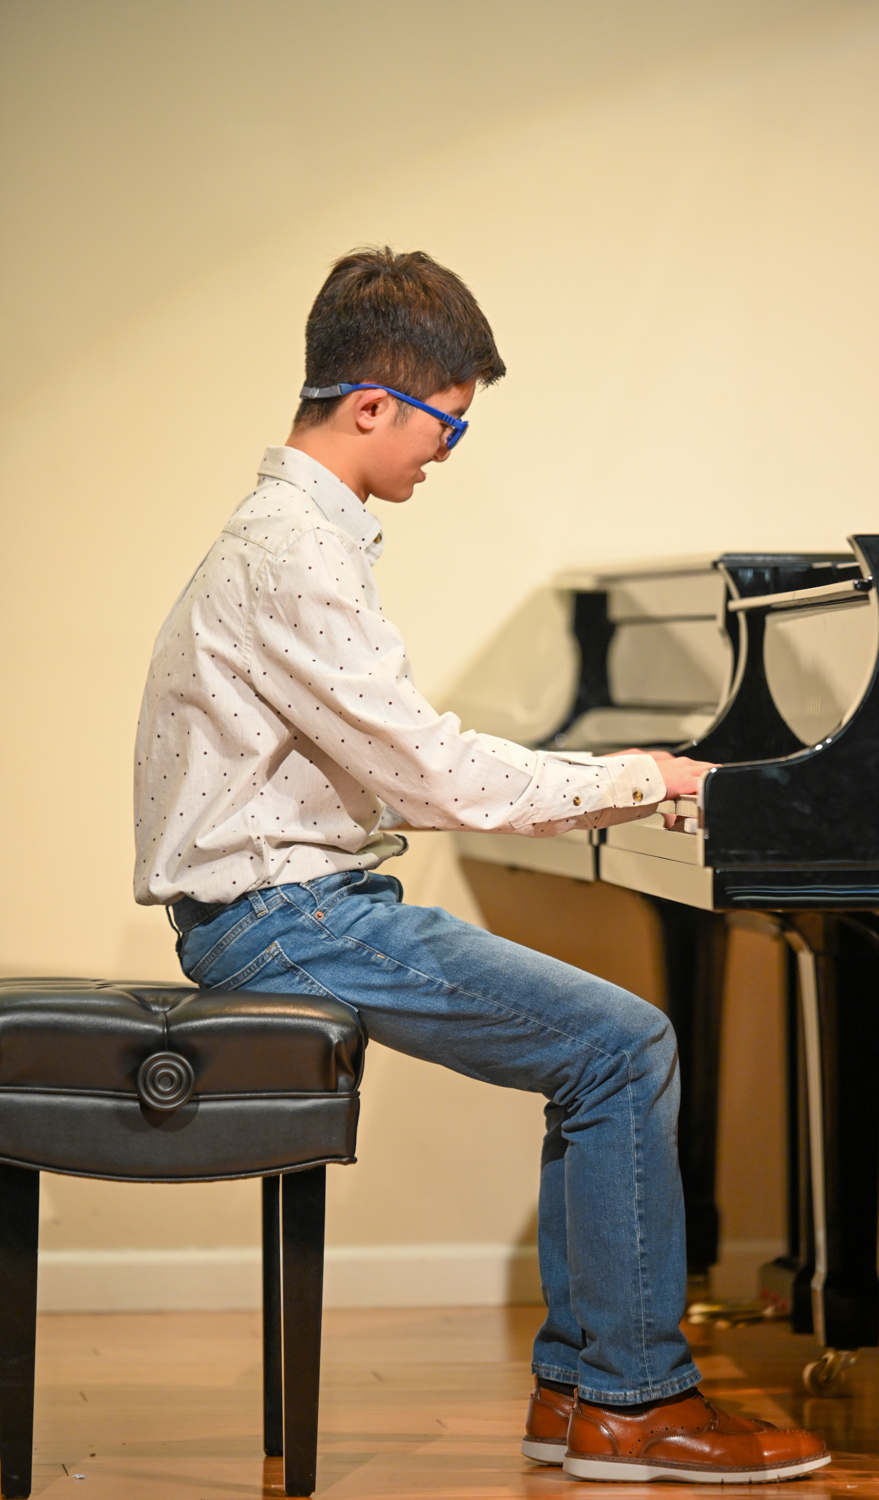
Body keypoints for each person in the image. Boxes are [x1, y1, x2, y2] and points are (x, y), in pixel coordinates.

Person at [134, 246, 828, 1483]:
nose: (448, 453)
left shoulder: (293, 534)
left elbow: (411, 763)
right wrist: (641, 777)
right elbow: (434, 778)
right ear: (371, 406)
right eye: (446, 425)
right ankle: (634, 1404)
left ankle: (581, 1394)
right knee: (625, 1047)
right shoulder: (292, 549)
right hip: (286, 914)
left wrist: (612, 779)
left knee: (599, 1057)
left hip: (288, 903)